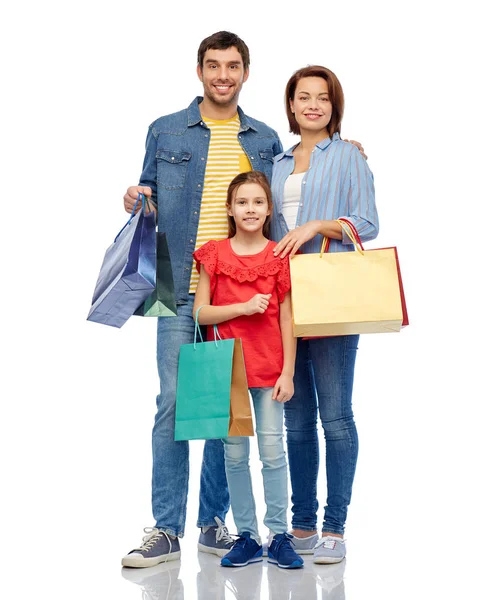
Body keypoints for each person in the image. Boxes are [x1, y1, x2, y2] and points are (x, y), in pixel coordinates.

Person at [121, 31, 283, 569]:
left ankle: (213, 523)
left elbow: (280, 201)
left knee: (222, 407)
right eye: (213, 65)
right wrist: (135, 196)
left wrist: (342, 145)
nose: (222, 75)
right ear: (199, 71)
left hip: (239, 291)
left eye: (232, 66)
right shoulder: (164, 129)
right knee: (173, 402)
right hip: (174, 283)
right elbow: (148, 192)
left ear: (245, 73)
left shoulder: (262, 138)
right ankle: (166, 530)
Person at [270, 66, 379, 564]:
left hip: (332, 295)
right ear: (291, 106)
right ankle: (302, 523)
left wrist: (319, 224)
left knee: (335, 416)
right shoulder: (275, 163)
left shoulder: (349, 156)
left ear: (334, 106)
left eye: (323, 98)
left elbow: (368, 222)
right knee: (295, 420)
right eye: (303, 97)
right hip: (285, 301)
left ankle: (335, 527)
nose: (313, 105)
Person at [193, 171, 302, 569]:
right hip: (227, 373)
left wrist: (288, 372)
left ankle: (278, 534)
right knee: (235, 456)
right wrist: (242, 307)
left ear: (269, 209)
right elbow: (200, 312)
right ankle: (248, 536)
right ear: (230, 209)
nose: (250, 209)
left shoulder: (279, 256)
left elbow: (288, 319)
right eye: (242, 203)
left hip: (270, 369)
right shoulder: (214, 254)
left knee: (273, 453)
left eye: (258, 202)